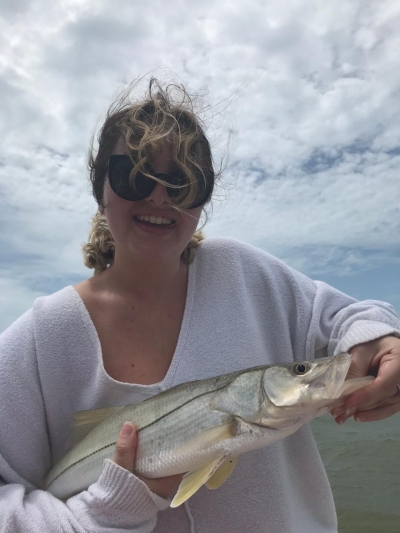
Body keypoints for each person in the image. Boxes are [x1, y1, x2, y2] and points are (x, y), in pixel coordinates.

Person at [0, 78, 399, 533]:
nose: (158, 196)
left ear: (203, 196)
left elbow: (349, 319)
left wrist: (383, 340)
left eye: (182, 182)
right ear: (100, 189)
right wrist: (108, 509)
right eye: (134, 175)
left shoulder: (246, 273)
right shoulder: (41, 335)